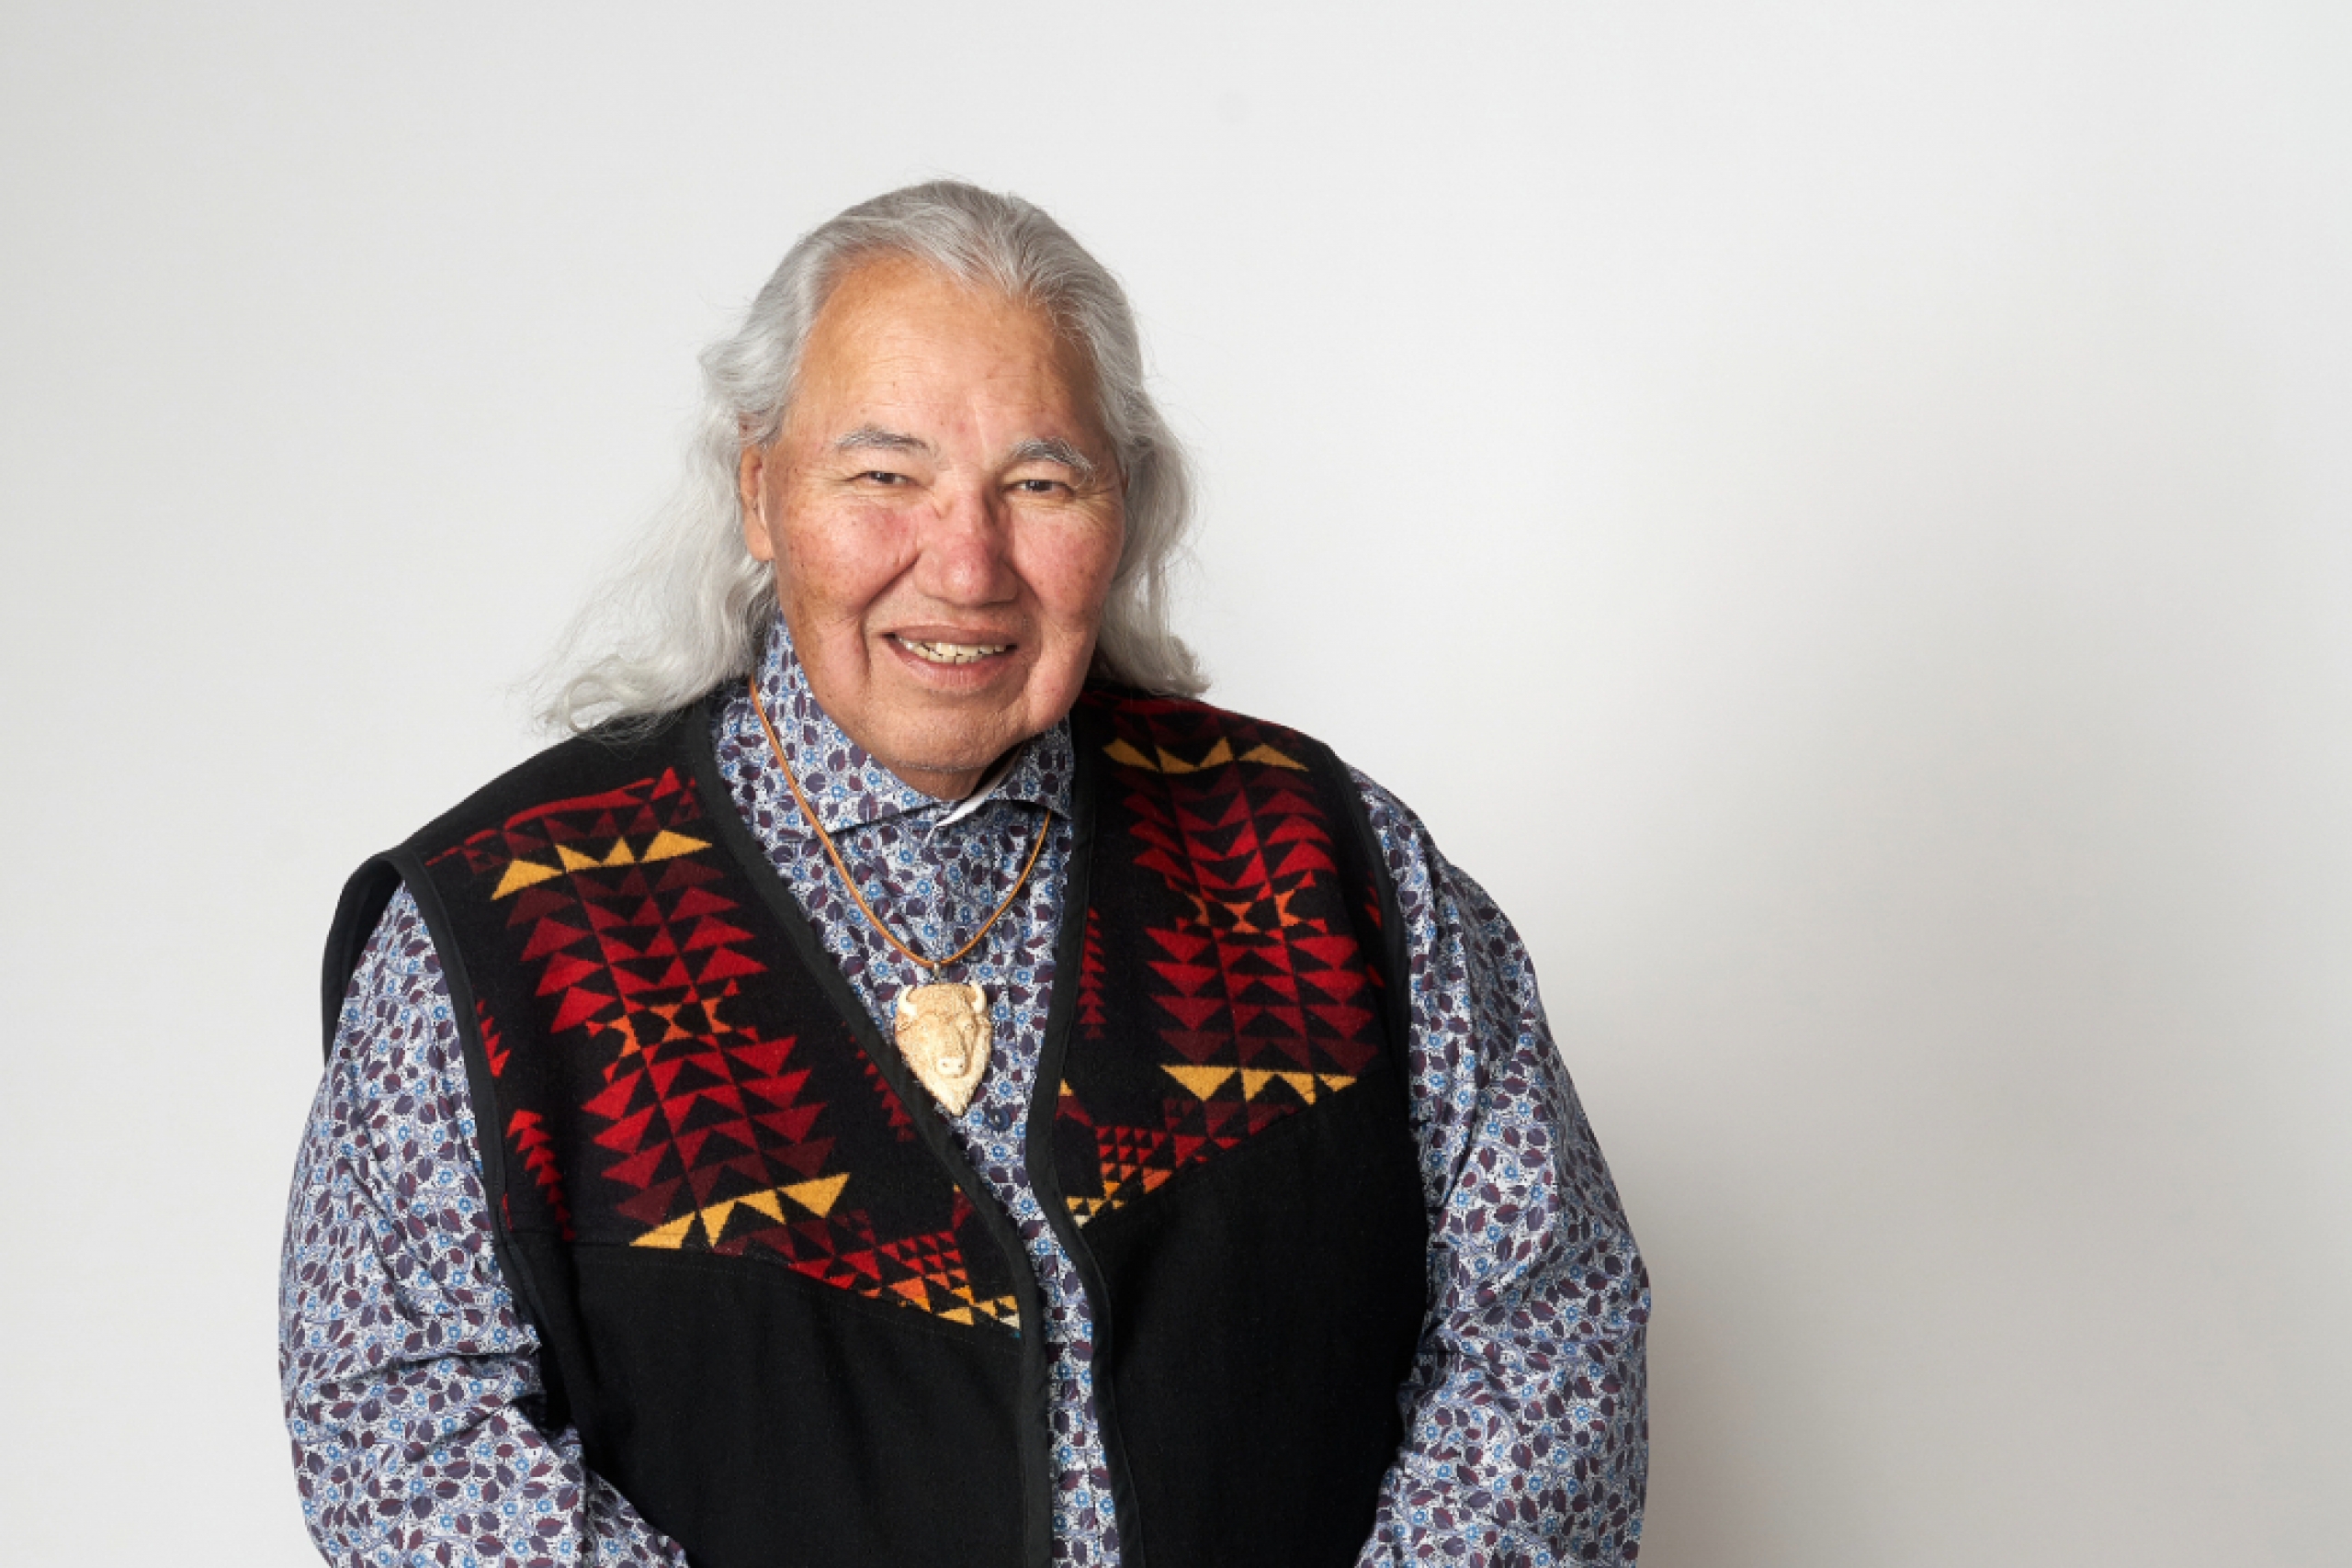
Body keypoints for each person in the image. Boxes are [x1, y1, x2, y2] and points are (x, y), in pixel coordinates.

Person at [279, 180, 1649, 1568]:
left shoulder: (1334, 867)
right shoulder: (500, 930)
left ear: (1124, 509)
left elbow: (1553, 1319)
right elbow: (399, 1420)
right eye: (885, 476)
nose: (968, 562)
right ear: (760, 489)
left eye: (1041, 485)